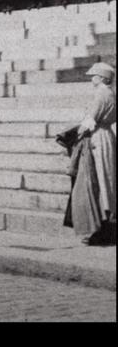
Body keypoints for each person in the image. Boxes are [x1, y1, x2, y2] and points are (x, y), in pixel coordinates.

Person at [68, 62, 116, 245]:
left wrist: (76, 135)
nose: (92, 79)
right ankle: (105, 224)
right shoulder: (111, 94)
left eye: (95, 75)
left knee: (97, 181)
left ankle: (101, 227)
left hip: (96, 138)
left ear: (103, 78)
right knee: (107, 180)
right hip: (107, 136)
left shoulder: (100, 94)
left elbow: (90, 121)